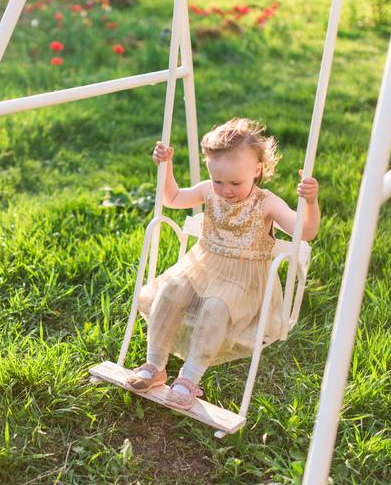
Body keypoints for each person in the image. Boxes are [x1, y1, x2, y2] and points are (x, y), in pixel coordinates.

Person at [125, 117, 320, 410]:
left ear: (256, 171)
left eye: (235, 183)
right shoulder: (208, 191)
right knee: (170, 289)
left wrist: (311, 202)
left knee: (215, 307)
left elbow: (305, 232)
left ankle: (189, 378)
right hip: (203, 267)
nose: (226, 190)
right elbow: (173, 198)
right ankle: (155, 366)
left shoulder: (266, 202)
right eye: (218, 181)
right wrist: (165, 169)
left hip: (242, 282)